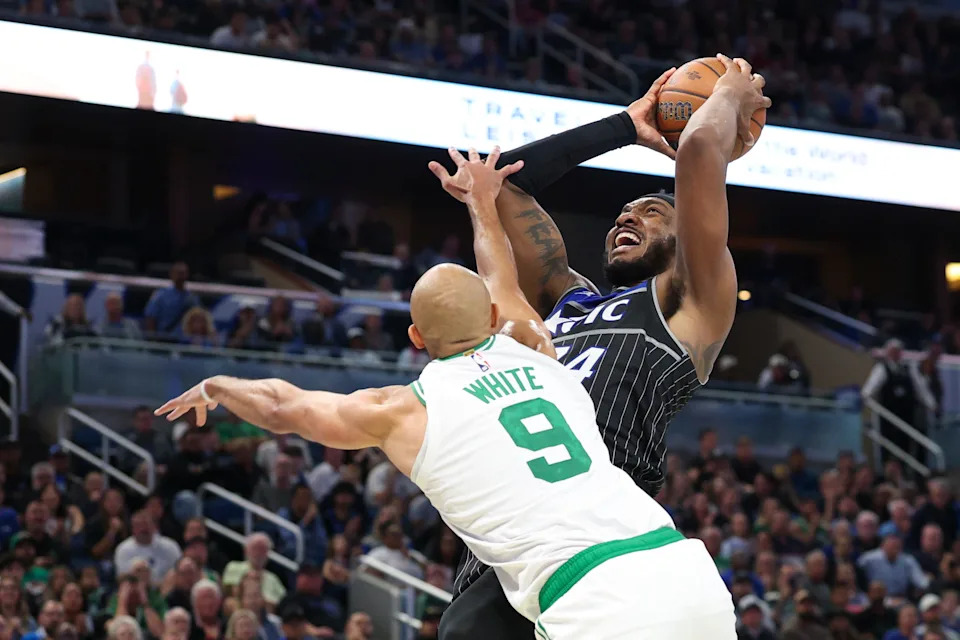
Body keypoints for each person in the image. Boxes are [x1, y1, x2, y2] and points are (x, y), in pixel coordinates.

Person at [156, 146, 737, 638]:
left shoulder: (403, 410)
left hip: (587, 594)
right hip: (676, 563)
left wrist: (220, 384)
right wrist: (482, 205)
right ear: (492, 316)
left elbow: (286, 406)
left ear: (414, 338)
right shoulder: (538, 351)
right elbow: (500, 274)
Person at [428, 55, 769, 639]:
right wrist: (623, 126)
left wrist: (728, 96)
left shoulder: (688, 304)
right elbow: (505, 181)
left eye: (652, 212)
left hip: (601, 542)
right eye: (621, 214)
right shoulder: (565, 299)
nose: (627, 218)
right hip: (507, 543)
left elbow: (699, 156)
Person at [861, 338, 938, 463]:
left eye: (898, 351)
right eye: (893, 351)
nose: (896, 354)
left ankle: (905, 470)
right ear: (888, 352)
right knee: (888, 446)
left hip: (907, 416)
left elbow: (921, 389)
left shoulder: (909, 369)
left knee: (906, 445)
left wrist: (932, 404)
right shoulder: (881, 368)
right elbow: (870, 388)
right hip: (888, 417)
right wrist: (864, 399)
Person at [114, 510, 182, 585]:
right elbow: (120, 578)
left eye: (146, 524)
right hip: (135, 588)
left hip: (165, 590)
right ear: (132, 529)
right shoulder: (123, 549)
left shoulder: (170, 546)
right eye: (139, 525)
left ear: (154, 526)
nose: (143, 528)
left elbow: (179, 572)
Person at [144, 262, 199, 337]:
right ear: (171, 274)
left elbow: (199, 318)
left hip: (184, 341)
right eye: (179, 273)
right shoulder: (160, 295)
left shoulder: (192, 298)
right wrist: (152, 340)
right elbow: (150, 317)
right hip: (163, 338)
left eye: (184, 273)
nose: (181, 276)